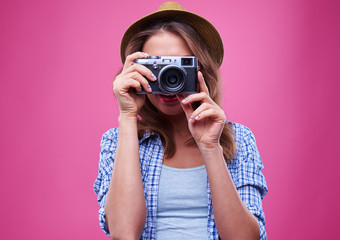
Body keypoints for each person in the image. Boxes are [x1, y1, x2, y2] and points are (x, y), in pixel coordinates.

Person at [94, 2, 268, 240]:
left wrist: (210, 147)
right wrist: (127, 117)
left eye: (179, 67)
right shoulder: (118, 141)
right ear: (135, 70)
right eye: (157, 66)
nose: (168, 79)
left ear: (201, 71)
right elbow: (123, 234)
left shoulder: (239, 140)